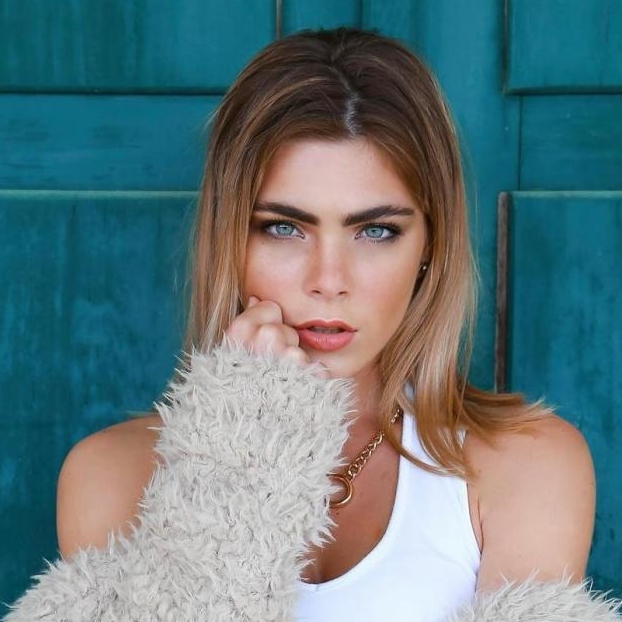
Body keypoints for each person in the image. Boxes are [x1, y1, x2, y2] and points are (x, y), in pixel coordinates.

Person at [55, 26, 596, 620]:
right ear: (230, 239)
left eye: (376, 230)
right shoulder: (110, 475)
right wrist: (239, 454)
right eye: (284, 227)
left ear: (430, 247)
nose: (328, 279)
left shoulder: (526, 465)